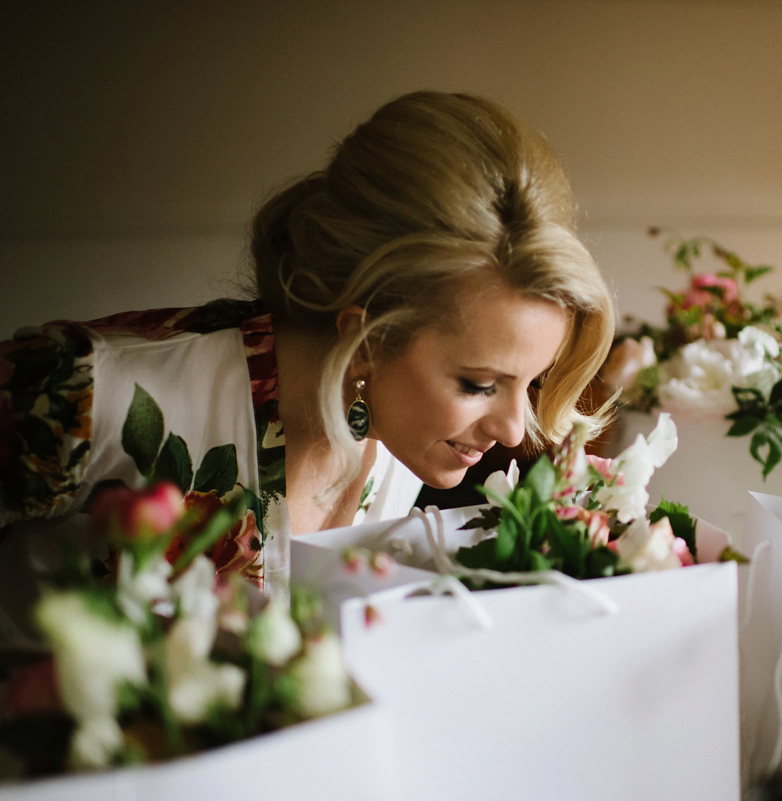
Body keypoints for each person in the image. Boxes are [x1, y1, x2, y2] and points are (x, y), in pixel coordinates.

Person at [0, 91, 615, 608]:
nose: (512, 431)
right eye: (479, 384)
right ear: (366, 339)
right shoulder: (81, 391)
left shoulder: (401, 434)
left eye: (529, 382)